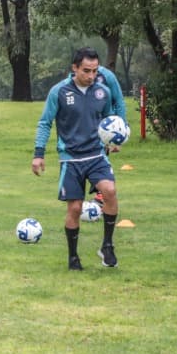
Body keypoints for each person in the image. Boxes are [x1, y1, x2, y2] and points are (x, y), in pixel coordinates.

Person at [32, 48, 122, 270]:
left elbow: (108, 119)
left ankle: (107, 245)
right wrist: (38, 154)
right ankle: (73, 257)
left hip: (96, 154)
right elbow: (45, 123)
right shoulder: (59, 92)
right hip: (70, 158)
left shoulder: (103, 91)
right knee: (74, 208)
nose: (91, 76)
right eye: (86, 71)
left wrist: (112, 139)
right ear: (74, 68)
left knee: (109, 191)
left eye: (94, 71)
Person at [88, 65, 127, 202]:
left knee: (100, 157)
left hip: (103, 125)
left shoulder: (107, 76)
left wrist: (120, 135)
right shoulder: (75, 76)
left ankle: (101, 195)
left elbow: (119, 102)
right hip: (84, 124)